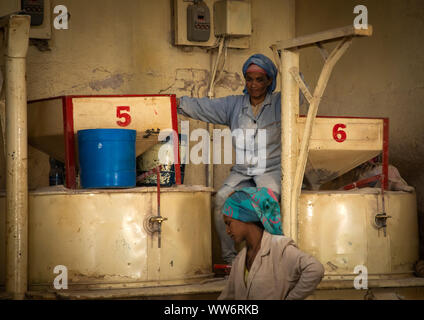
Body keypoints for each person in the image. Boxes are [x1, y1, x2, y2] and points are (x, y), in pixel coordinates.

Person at [177, 53, 288, 264]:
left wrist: (288, 65)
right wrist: (177, 103)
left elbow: (302, 94)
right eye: (249, 78)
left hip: (270, 169)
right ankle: (230, 260)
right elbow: (204, 107)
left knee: (266, 204)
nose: (253, 84)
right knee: (221, 199)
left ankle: (272, 259)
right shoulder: (234, 105)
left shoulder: (280, 102)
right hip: (242, 171)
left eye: (259, 79)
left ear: (270, 80)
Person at [218, 187, 324, 300]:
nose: (227, 231)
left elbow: (315, 269)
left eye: (229, 223)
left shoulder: (280, 247)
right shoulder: (240, 260)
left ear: (245, 217)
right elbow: (227, 297)